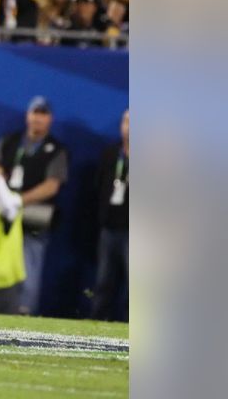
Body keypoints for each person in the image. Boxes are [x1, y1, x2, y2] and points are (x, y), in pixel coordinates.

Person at [0, 95, 68, 315]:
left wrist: (18, 201)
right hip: (2, 218)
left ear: (50, 119)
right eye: (35, 113)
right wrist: (6, 199)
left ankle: (24, 312)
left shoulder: (56, 149)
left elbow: (52, 186)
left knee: (29, 270)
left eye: (43, 114)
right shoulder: (10, 141)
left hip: (34, 218)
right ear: (27, 115)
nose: (38, 119)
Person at [91, 109, 128, 321]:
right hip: (109, 228)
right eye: (126, 121)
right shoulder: (111, 154)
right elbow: (99, 188)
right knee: (103, 281)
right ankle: (98, 323)